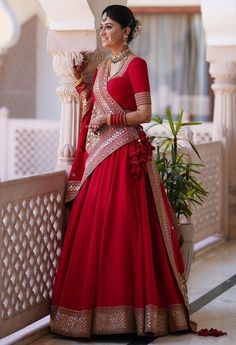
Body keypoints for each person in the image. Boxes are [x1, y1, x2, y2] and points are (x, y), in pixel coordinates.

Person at [50, 4, 193, 339]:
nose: (103, 32)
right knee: (95, 227)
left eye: (109, 26)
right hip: (102, 158)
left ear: (127, 30)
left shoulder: (136, 65)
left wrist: (112, 119)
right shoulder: (101, 68)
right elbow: (93, 108)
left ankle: (136, 315)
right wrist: (79, 82)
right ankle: (89, 316)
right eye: (101, 26)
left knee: (126, 230)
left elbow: (145, 113)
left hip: (126, 156)